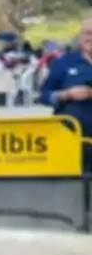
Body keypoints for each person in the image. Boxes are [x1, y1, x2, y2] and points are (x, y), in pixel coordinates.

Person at [39, 18, 92, 172]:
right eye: (87, 33)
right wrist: (65, 95)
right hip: (70, 138)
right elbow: (43, 96)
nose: (91, 38)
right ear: (80, 36)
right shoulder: (64, 63)